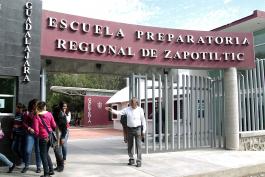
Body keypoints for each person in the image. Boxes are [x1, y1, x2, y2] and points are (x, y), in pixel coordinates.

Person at [105, 97, 146, 167]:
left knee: (138, 146)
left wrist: (144, 131)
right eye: (131, 103)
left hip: (138, 129)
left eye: (134, 104)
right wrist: (111, 109)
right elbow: (119, 112)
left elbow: (143, 120)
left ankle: (139, 161)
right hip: (129, 129)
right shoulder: (127, 109)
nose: (132, 105)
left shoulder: (140, 110)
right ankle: (131, 159)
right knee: (130, 146)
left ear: (137, 103)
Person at [33, 101, 56, 177]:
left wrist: (36, 135)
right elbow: (54, 125)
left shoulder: (37, 116)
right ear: (44, 107)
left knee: (43, 155)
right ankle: (51, 170)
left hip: (43, 138)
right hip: (50, 136)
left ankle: (46, 173)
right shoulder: (49, 114)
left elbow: (36, 130)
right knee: (46, 153)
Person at [22, 98, 42, 173]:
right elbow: (23, 123)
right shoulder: (27, 113)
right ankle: (26, 165)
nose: (37, 106)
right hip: (30, 134)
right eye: (36, 104)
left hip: (38, 134)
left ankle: (39, 167)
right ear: (33, 105)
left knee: (38, 151)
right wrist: (29, 128)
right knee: (27, 150)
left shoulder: (40, 113)